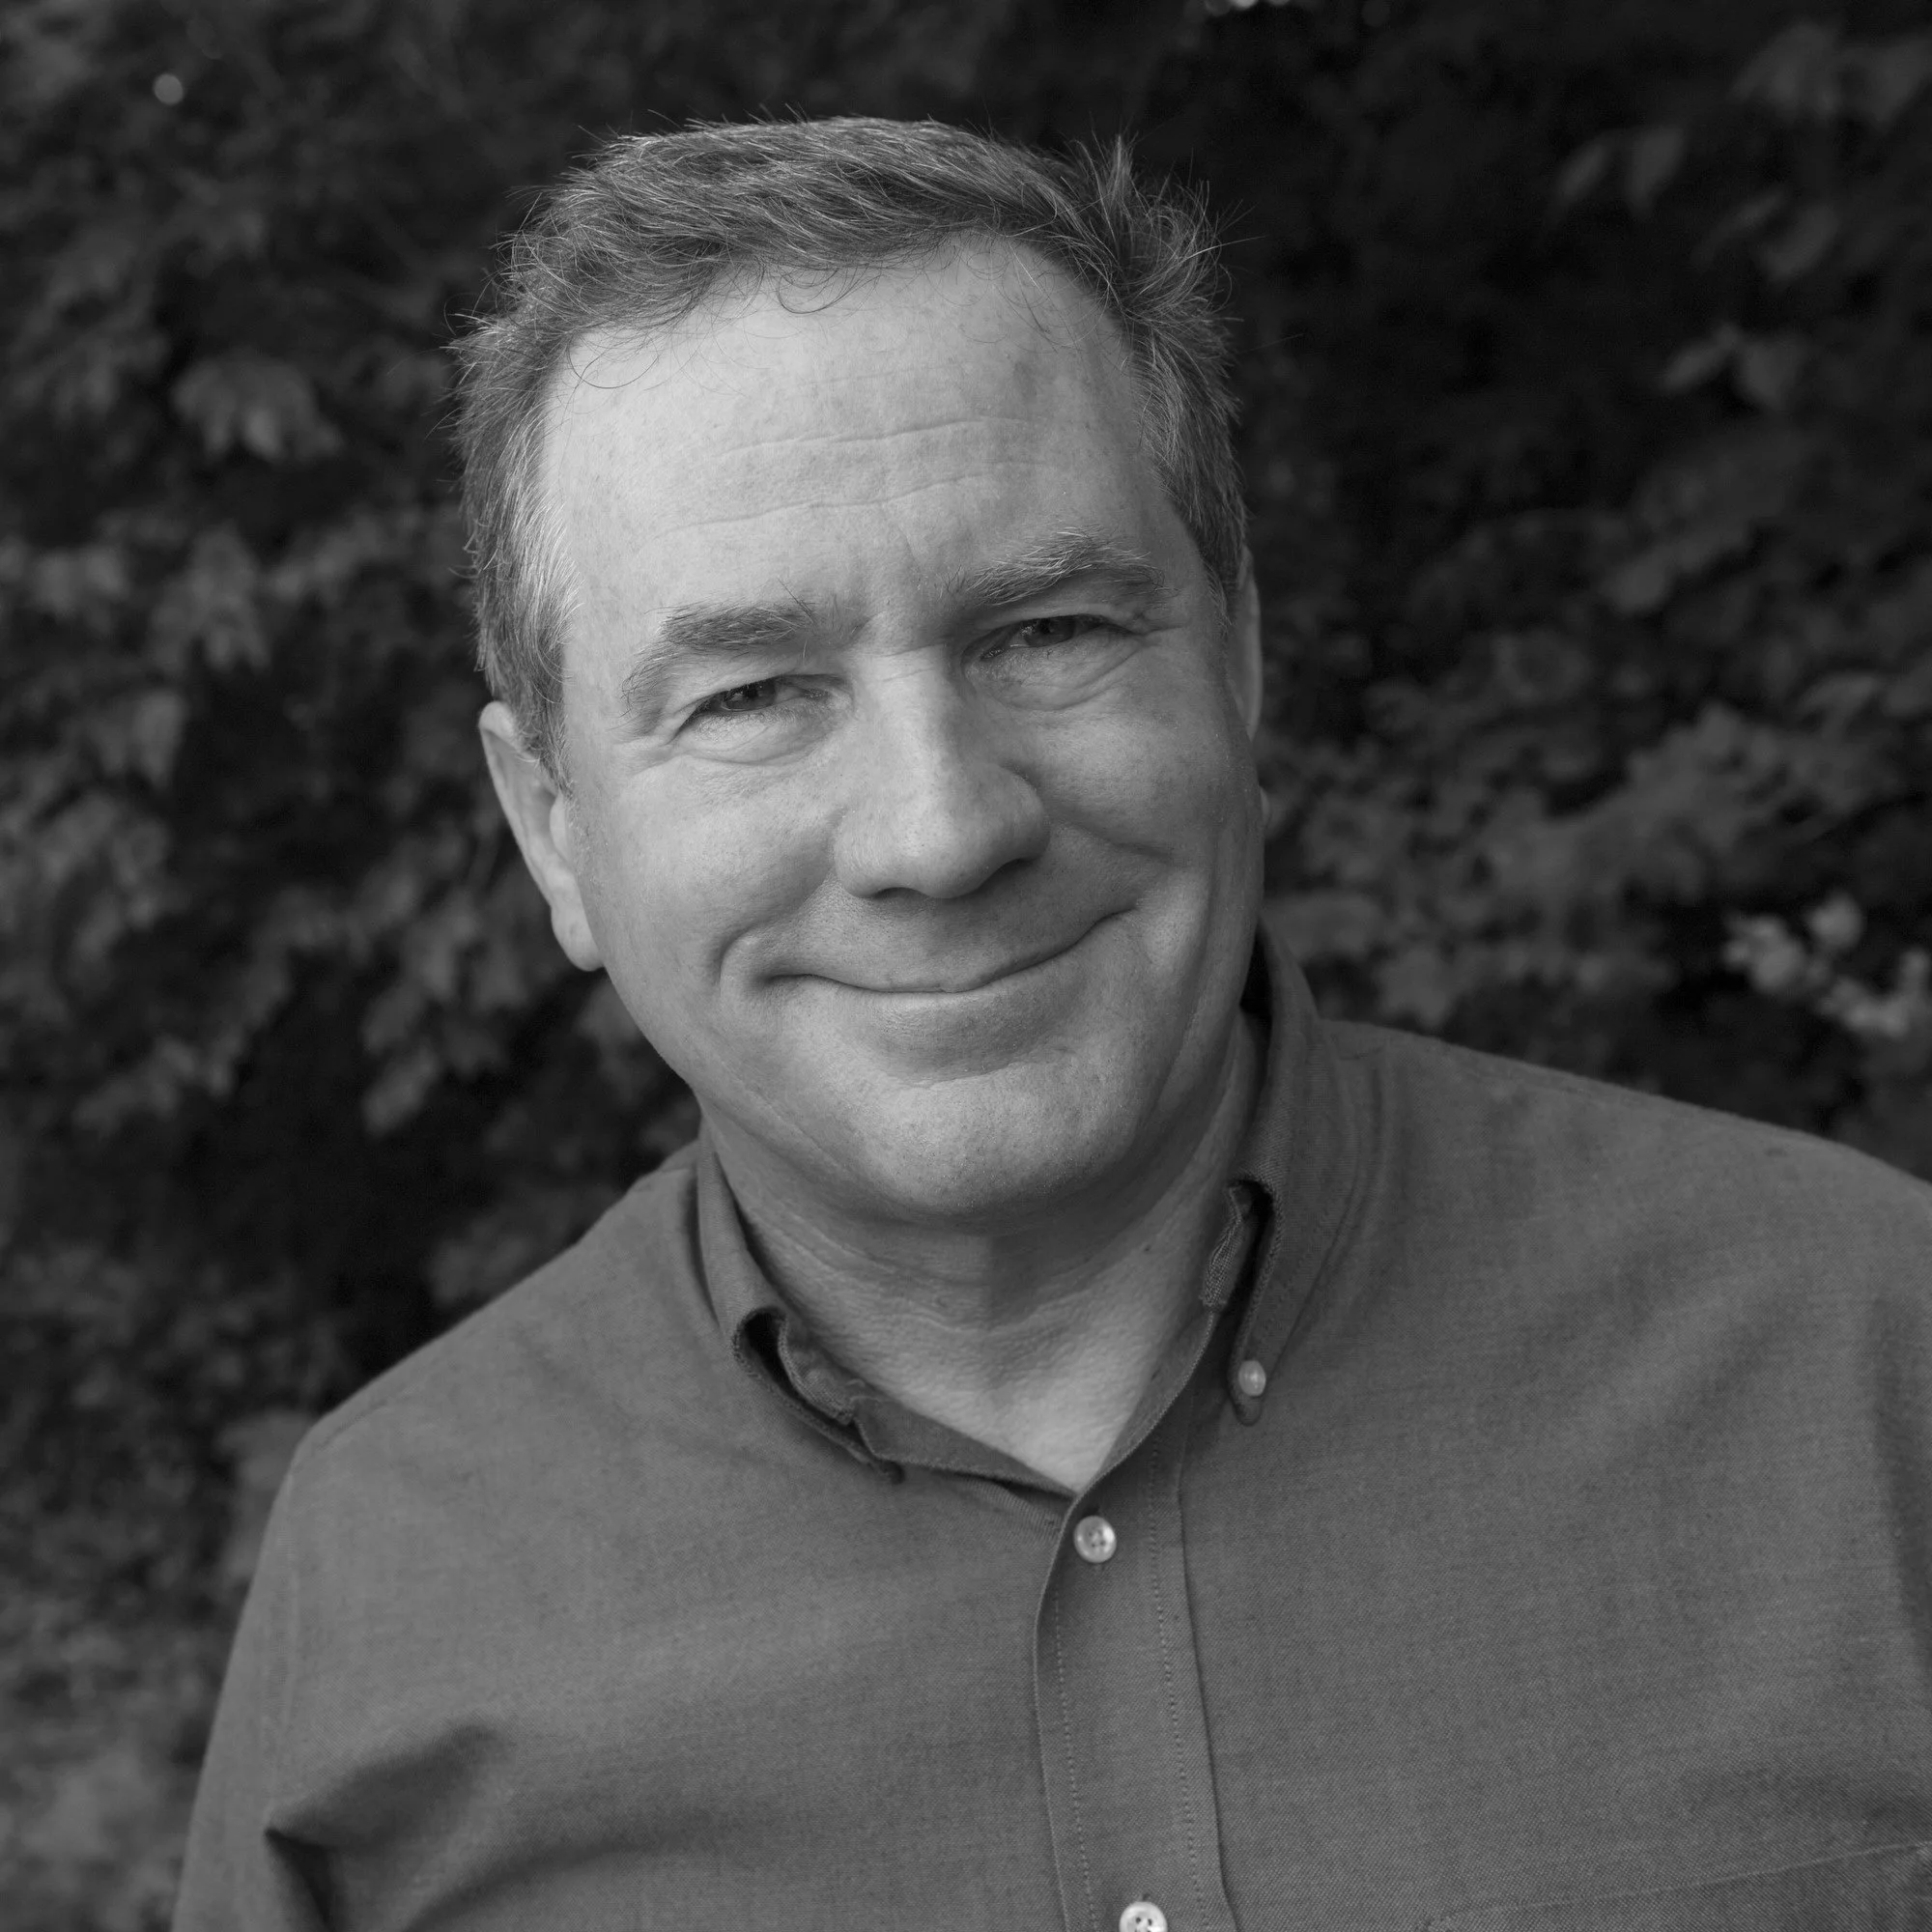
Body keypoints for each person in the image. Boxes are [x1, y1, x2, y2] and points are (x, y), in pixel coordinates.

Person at [173, 118, 1932, 1932]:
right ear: (553, 825)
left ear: (1239, 664)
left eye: (1047, 631)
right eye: (757, 692)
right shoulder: (391, 1574)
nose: (940, 829)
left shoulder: (1871, 1368)